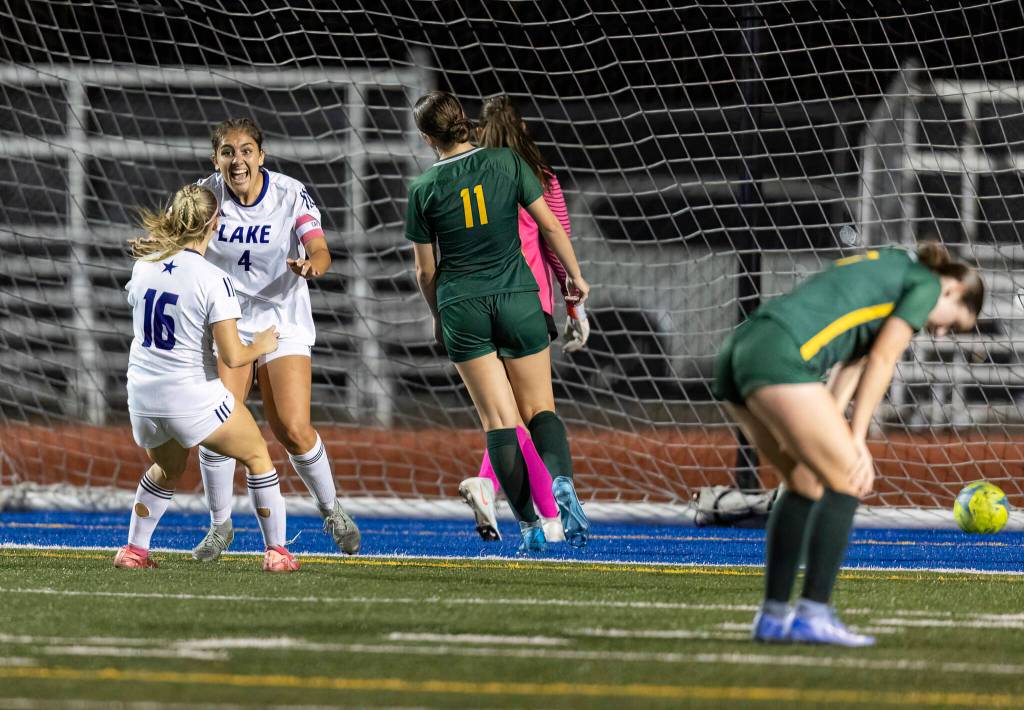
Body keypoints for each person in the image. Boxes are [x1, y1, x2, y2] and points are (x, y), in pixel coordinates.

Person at [713, 243, 984, 646]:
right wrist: (856, 439)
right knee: (850, 479)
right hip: (778, 352)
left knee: (805, 482)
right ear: (952, 289)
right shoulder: (926, 284)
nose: (940, 331)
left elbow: (854, 362)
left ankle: (772, 618)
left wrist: (837, 429)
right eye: (953, 323)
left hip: (742, 348)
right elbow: (883, 359)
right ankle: (813, 614)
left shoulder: (891, 270)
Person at [406, 91, 591, 552]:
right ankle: (562, 482)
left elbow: (425, 270)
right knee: (541, 410)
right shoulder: (508, 162)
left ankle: (529, 527)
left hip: (462, 306)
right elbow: (550, 226)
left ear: (428, 137)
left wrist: (436, 314)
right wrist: (576, 279)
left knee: (499, 422)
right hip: (518, 299)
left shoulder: (422, 188)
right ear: (465, 123)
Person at [191, 118, 360, 561]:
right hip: (225, 318)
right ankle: (219, 526)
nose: (238, 159)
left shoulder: (289, 192)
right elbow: (180, 243)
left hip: (281, 319)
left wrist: (313, 266)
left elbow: (320, 248)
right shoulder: (204, 196)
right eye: (227, 151)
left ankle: (331, 508)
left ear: (261, 156)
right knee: (216, 426)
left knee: (292, 428)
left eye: (246, 150)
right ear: (216, 160)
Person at [115, 183, 299, 573]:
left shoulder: (143, 265)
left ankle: (134, 550)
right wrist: (263, 342)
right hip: (188, 394)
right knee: (257, 456)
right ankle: (278, 553)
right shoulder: (213, 278)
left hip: (142, 399)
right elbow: (233, 355)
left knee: (167, 468)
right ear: (214, 223)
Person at [457, 95, 590, 544]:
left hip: (473, 304)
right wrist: (574, 303)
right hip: (527, 303)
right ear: (524, 129)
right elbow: (557, 240)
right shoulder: (539, 177)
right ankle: (545, 494)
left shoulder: (466, 181)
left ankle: (510, 500)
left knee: (504, 413)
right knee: (534, 410)